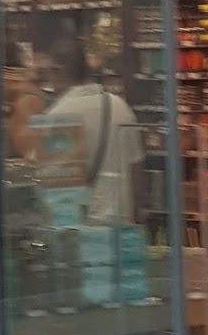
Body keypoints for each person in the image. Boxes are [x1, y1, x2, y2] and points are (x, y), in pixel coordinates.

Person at [28, 13, 142, 227]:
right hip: (121, 227)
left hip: (81, 230)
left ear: (58, 71)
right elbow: (135, 170)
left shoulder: (57, 116)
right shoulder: (120, 107)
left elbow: (51, 186)